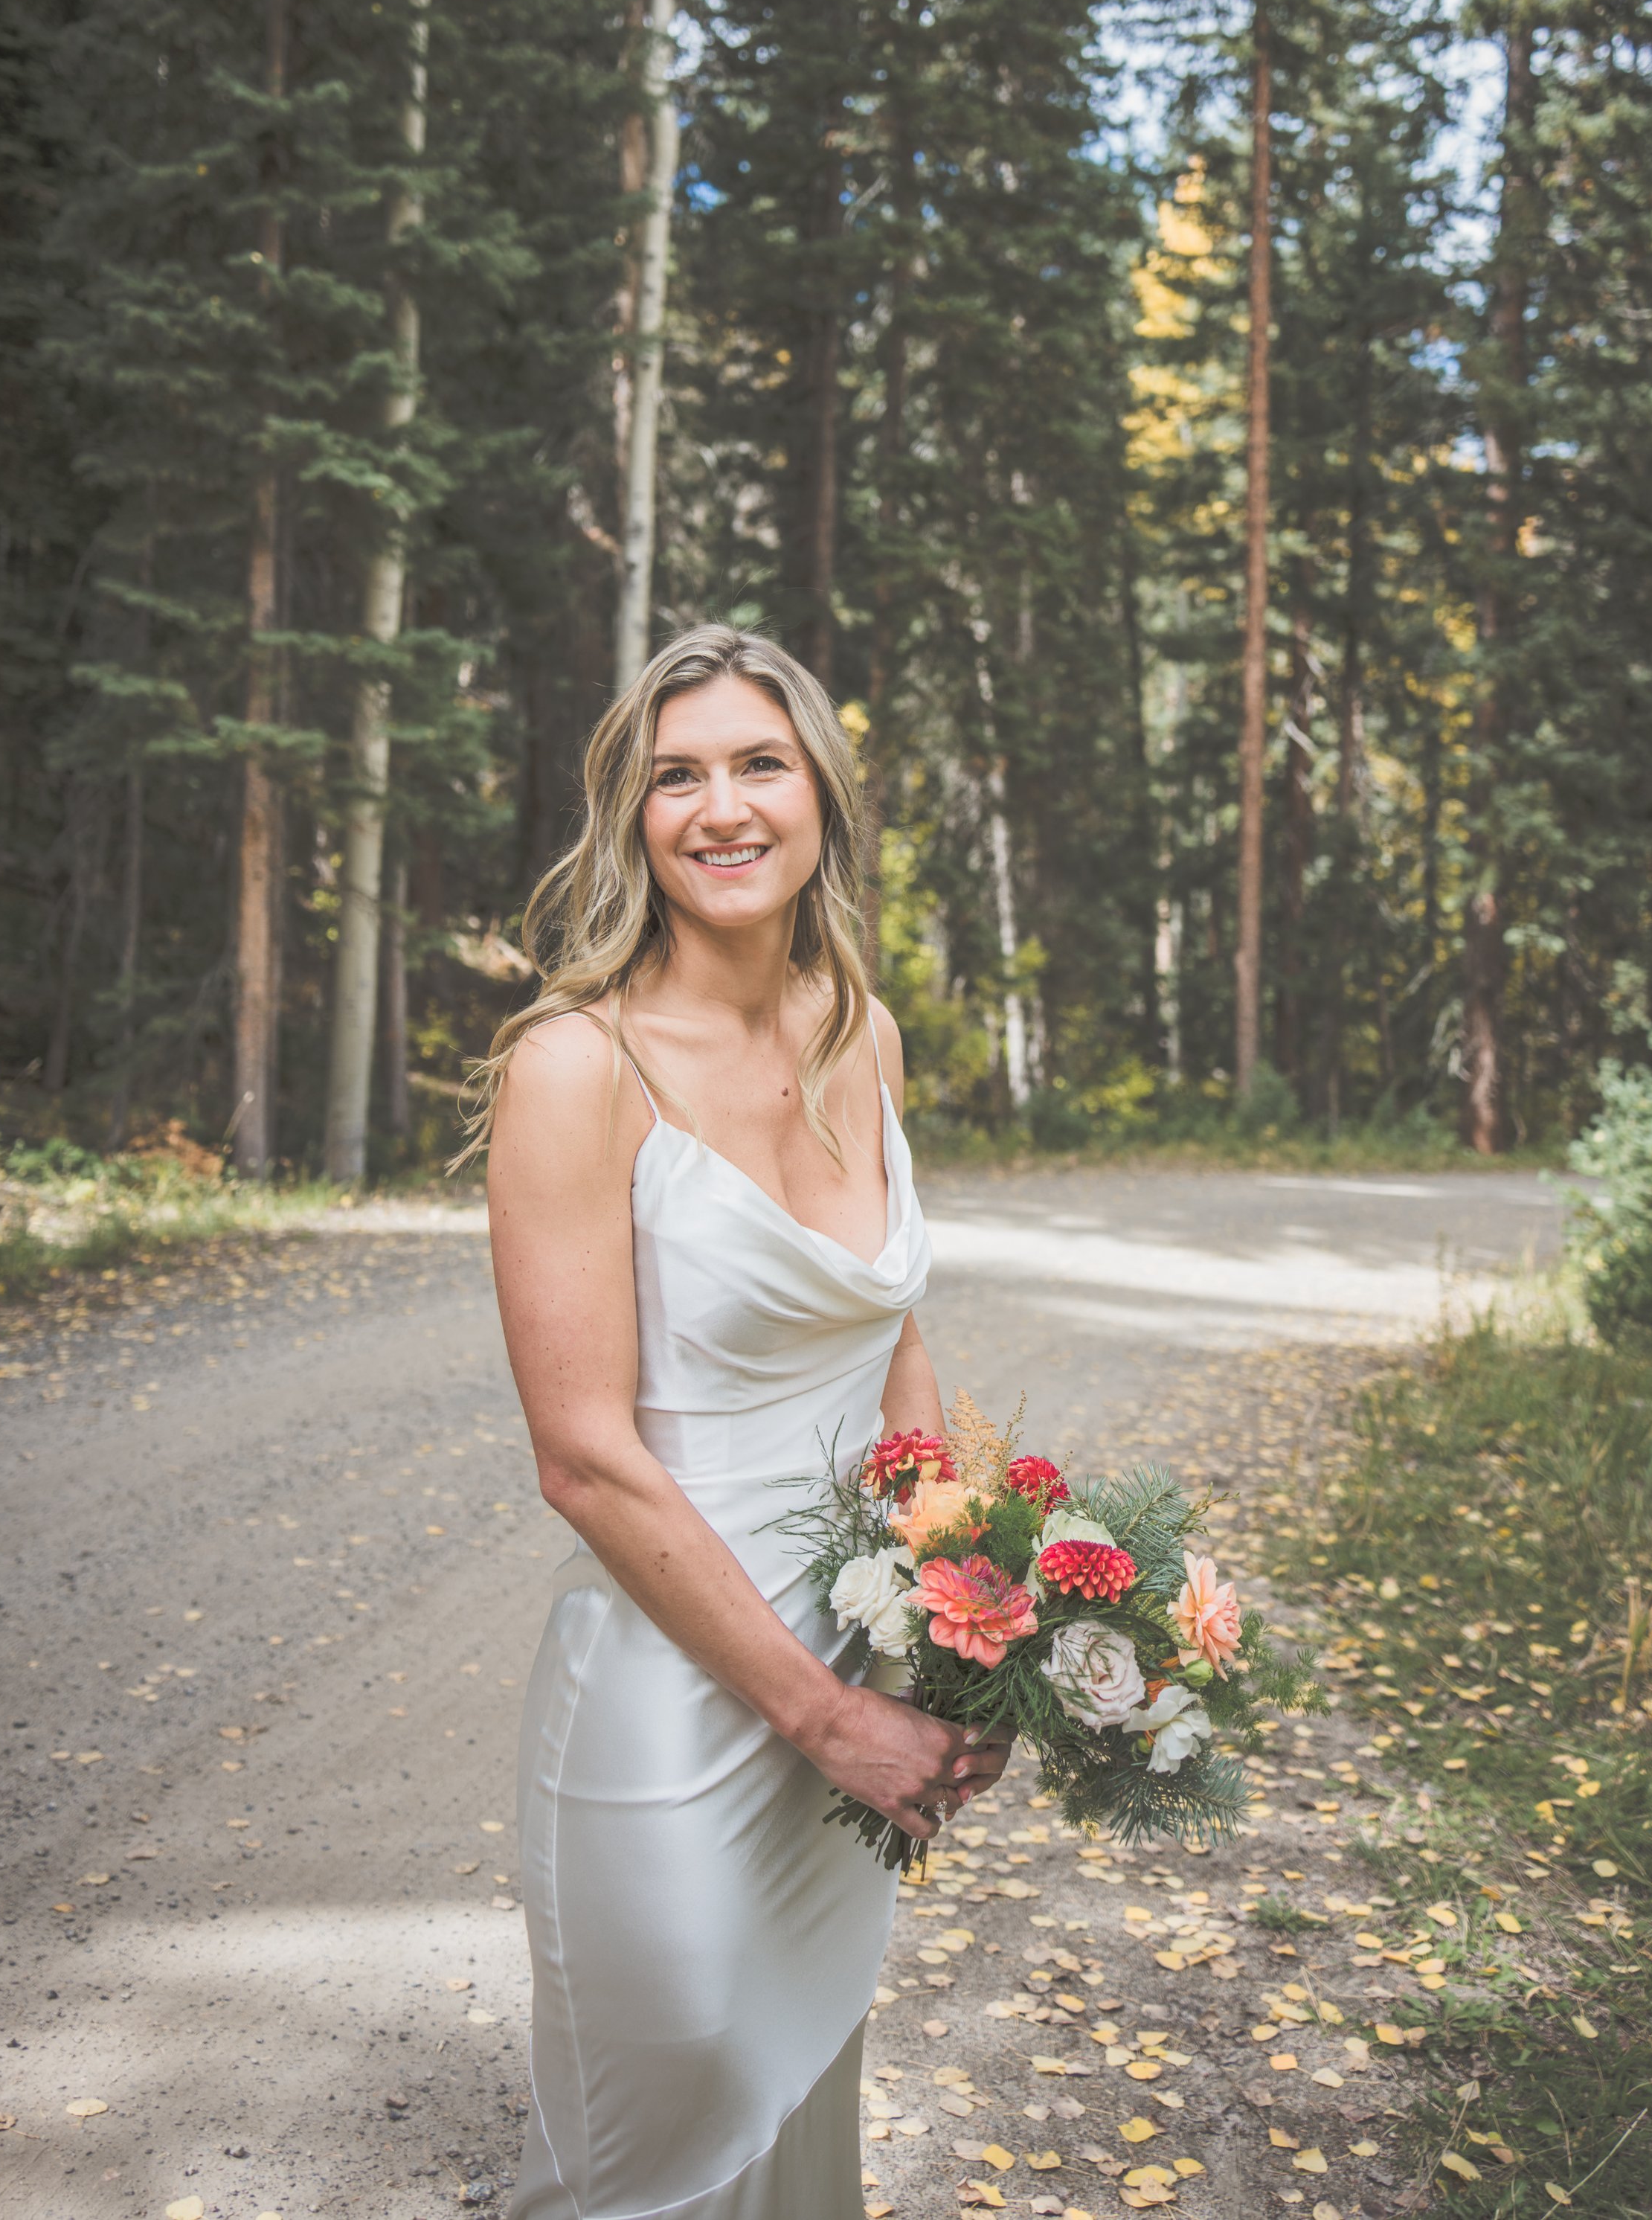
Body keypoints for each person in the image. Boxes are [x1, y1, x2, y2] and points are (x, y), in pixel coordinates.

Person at [460, 623, 1010, 2220]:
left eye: (757, 764)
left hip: (857, 1660)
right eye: (673, 776)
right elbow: (580, 1457)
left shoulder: (862, 1029)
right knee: (682, 2083)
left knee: (796, 2094)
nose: (720, 807)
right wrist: (818, 1715)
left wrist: (968, 1618)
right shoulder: (578, 1067)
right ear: (629, 820)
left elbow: (888, 1343)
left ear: (822, 796)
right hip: (671, 1688)